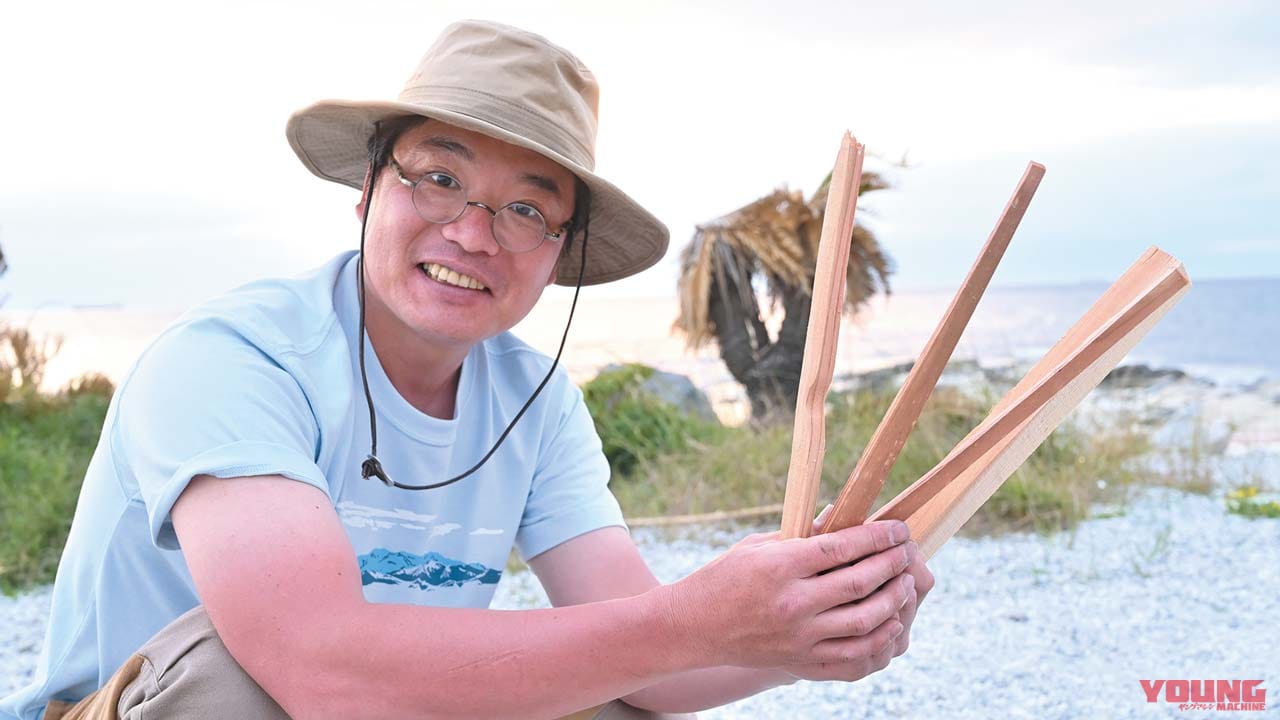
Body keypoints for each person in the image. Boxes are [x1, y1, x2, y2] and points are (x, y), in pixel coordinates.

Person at [1, 19, 933, 720]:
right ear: (368, 190)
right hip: (154, 709)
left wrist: (803, 631)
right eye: (439, 178)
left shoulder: (536, 401)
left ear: (560, 250)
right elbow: (315, 665)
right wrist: (693, 619)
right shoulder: (232, 358)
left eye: (528, 209)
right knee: (233, 670)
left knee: (611, 694)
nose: (475, 233)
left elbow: (657, 659)